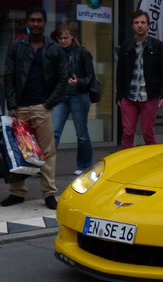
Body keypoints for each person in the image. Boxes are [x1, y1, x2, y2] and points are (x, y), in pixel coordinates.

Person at [2, 6, 67, 209]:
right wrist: (12, 105)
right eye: (32, 20)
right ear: (27, 23)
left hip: (42, 107)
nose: (36, 24)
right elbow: (9, 77)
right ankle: (17, 192)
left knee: (47, 152)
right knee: (18, 152)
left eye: (39, 20)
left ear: (44, 23)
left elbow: (63, 79)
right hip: (20, 107)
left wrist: (49, 103)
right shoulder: (17, 46)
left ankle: (48, 194)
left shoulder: (54, 48)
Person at [116, 10, 163, 150]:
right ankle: (127, 163)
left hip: (149, 96)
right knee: (127, 133)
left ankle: (152, 164)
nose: (139, 25)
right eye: (136, 23)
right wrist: (119, 96)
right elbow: (120, 73)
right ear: (132, 26)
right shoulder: (126, 47)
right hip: (129, 97)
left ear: (148, 25)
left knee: (148, 133)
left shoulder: (157, 46)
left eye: (142, 22)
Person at [51, 24, 96, 176]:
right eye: (60, 38)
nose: (63, 41)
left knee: (81, 133)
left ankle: (84, 165)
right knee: (54, 132)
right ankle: (47, 166)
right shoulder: (55, 54)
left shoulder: (82, 52)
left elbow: (91, 77)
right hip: (61, 97)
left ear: (72, 37)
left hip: (79, 95)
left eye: (66, 38)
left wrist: (79, 82)